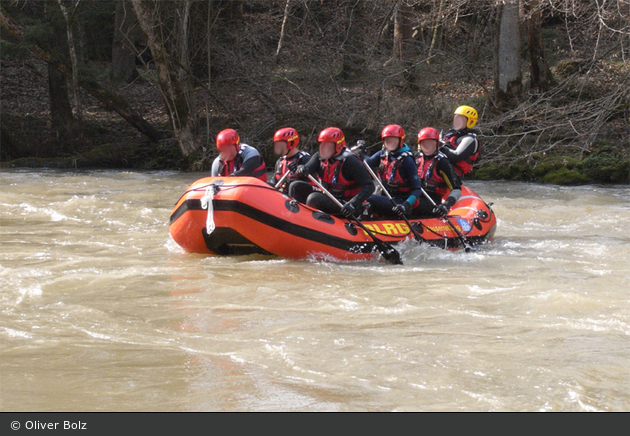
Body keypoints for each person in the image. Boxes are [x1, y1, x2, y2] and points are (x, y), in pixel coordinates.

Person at [289, 127, 374, 218]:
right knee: (295, 186)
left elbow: (369, 186)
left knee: (314, 198)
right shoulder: (319, 156)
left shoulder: (350, 161)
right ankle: (294, 217)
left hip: (347, 205)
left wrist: (353, 203)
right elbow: (308, 168)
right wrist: (301, 168)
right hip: (330, 197)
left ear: (338, 145)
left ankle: (312, 223)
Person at [363, 124, 422, 218]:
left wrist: (406, 205)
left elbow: (417, 190)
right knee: (363, 196)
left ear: (400, 140)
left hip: (401, 203)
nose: (390, 142)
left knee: (370, 198)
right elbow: (366, 163)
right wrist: (361, 153)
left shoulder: (407, 160)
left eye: (393, 140)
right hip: (386, 198)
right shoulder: (383, 154)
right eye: (387, 140)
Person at [415, 127, 462, 218]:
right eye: (424, 143)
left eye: (431, 143)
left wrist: (446, 205)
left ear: (437, 144)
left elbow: (456, 189)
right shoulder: (415, 158)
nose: (428, 146)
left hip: (432, 202)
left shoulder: (442, 162)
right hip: (413, 197)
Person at [439, 105, 481, 178]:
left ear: (470, 122)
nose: (457, 122)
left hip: (452, 175)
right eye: (456, 119)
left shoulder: (470, 139)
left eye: (461, 119)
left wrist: (439, 145)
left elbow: (456, 156)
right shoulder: (451, 136)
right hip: (437, 168)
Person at [270, 127, 311, 192]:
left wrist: (300, 171)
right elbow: (273, 183)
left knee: (293, 184)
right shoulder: (280, 161)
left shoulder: (304, 158)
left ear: (291, 143)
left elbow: (309, 183)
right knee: (267, 185)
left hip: (299, 197)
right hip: (283, 197)